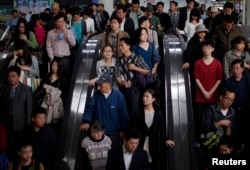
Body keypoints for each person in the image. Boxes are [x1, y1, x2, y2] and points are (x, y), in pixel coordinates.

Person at [80, 74, 129, 148]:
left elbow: (124, 115)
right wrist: (87, 121)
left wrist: (123, 130)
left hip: (114, 133)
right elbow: (90, 109)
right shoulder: (96, 95)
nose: (99, 86)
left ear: (109, 84)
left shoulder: (119, 96)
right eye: (98, 84)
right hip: (99, 134)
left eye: (101, 84)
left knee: (112, 155)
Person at [133, 89, 175, 170]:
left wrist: (166, 139)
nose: (144, 98)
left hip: (153, 145)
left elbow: (162, 129)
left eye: (147, 97)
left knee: (152, 165)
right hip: (140, 143)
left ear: (153, 99)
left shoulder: (158, 113)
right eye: (143, 96)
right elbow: (134, 128)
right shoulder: (138, 112)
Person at [0, 66, 33, 159]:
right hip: (6, 122)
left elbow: (29, 108)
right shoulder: (4, 88)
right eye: (9, 76)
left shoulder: (26, 89)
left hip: (20, 123)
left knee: (19, 146)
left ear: (18, 76)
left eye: (14, 76)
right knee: (7, 145)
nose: (11, 78)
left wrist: (28, 124)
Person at [193, 40, 223, 141]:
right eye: (205, 47)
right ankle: (198, 140)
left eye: (209, 47)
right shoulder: (198, 63)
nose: (206, 50)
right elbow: (196, 78)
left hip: (213, 97)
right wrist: (204, 92)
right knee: (199, 120)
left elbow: (219, 78)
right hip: (200, 97)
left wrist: (210, 92)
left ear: (213, 49)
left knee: (212, 120)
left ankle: (211, 140)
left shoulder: (217, 63)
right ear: (202, 49)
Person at [116, 37, 149, 119]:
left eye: (122, 46)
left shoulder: (137, 57)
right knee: (123, 110)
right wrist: (122, 82)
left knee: (134, 111)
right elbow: (117, 75)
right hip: (123, 88)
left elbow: (147, 71)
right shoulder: (119, 60)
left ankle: (134, 130)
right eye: (119, 46)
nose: (120, 48)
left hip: (135, 89)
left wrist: (135, 68)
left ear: (128, 46)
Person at [46, 12, 76, 80]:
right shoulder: (50, 33)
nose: (60, 23)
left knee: (66, 77)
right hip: (55, 58)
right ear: (55, 22)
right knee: (56, 77)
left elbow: (73, 44)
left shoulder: (68, 31)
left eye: (62, 21)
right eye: (58, 21)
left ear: (64, 22)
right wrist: (52, 58)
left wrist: (67, 34)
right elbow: (48, 46)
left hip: (65, 58)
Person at [182, 24, 209, 100]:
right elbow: (188, 52)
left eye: (203, 32)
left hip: (205, 65)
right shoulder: (192, 41)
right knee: (195, 83)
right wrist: (187, 61)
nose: (202, 34)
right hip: (195, 64)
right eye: (200, 32)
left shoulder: (207, 41)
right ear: (197, 33)